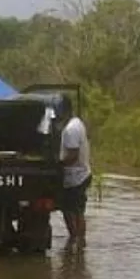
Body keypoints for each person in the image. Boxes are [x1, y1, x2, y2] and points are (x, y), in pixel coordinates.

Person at [57, 95, 92, 250]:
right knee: (72, 210)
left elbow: (72, 155)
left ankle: (78, 243)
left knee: (75, 212)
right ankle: (77, 244)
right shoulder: (77, 123)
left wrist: (57, 164)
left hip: (76, 177)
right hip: (82, 174)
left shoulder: (70, 130)